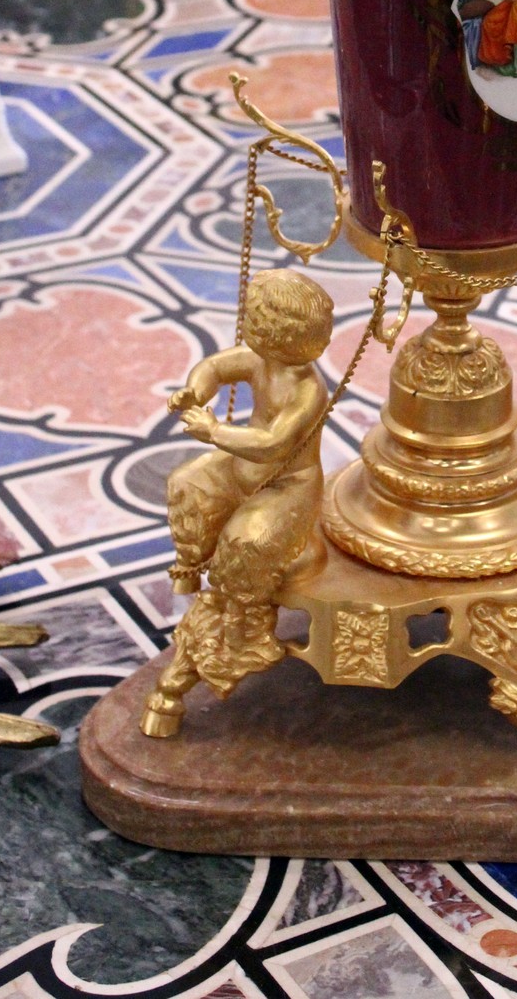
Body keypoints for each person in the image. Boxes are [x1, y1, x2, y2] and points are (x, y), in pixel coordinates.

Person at [140, 268, 334, 736]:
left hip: (287, 488)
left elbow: (272, 442)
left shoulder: (308, 389)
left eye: (256, 318)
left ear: (282, 333)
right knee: (187, 484)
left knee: (245, 541)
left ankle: (241, 625)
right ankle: (190, 568)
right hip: (239, 470)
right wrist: (196, 389)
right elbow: (216, 367)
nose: (247, 322)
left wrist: (213, 431)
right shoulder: (260, 361)